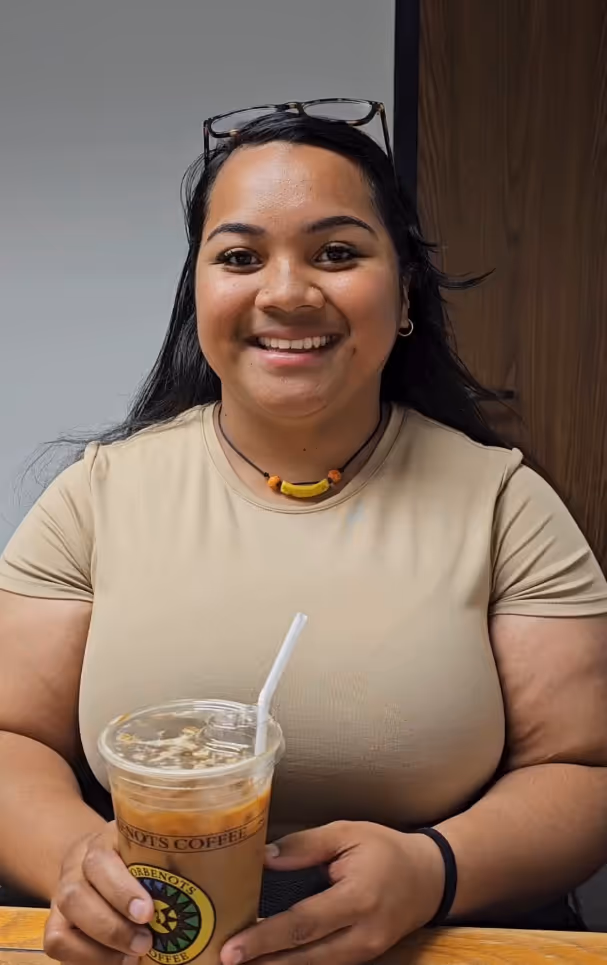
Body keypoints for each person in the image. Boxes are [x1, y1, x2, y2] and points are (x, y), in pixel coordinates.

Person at [1, 99, 606, 965]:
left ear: (403, 298)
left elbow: (584, 772)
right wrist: (73, 858)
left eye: (337, 252)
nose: (285, 292)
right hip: (157, 935)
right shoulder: (95, 495)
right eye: (241, 257)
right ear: (200, 295)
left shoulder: (504, 503)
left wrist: (433, 870)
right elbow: (10, 736)